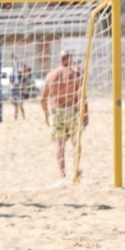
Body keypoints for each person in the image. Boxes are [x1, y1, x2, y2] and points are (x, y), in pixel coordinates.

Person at [40, 50, 88, 179]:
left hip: (57, 111)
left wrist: (46, 115)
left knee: (59, 144)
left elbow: (43, 99)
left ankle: (62, 175)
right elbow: (83, 97)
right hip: (73, 111)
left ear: (59, 59)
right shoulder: (77, 75)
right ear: (69, 59)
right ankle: (76, 170)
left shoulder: (50, 75)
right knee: (75, 142)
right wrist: (85, 114)